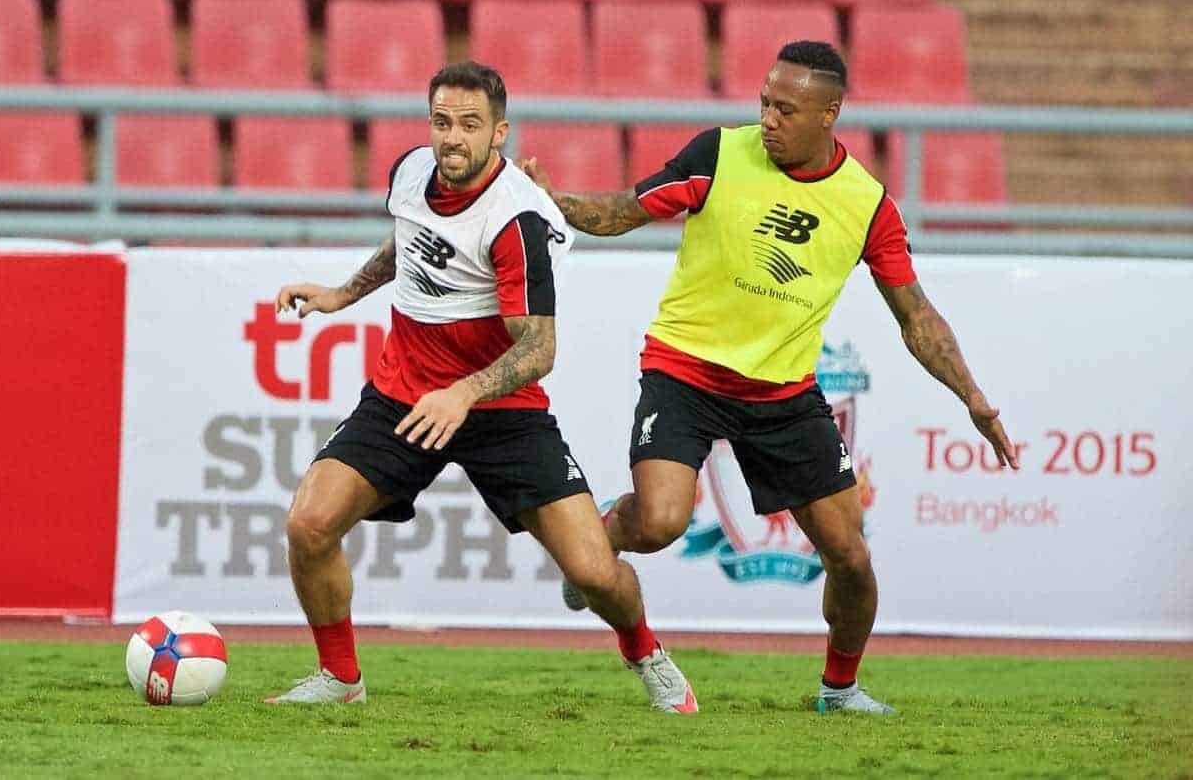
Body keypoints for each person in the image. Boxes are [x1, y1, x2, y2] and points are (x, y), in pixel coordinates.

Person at [522, 41, 1019, 715]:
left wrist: (974, 397)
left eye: (786, 108)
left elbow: (917, 316)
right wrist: (554, 200)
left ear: (829, 114)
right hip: (685, 374)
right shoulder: (720, 154)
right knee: (663, 520)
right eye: (764, 102)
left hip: (783, 398)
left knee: (851, 559)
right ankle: (604, 536)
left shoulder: (866, 205)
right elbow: (626, 210)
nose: (769, 119)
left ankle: (838, 689)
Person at [265, 62, 696, 713]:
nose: (452, 138)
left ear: (500, 133)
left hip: (503, 410)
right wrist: (341, 293)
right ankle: (340, 677)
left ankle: (644, 650)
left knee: (593, 572)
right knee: (308, 524)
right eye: (442, 122)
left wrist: (465, 392)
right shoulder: (412, 171)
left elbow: (540, 347)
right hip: (404, 394)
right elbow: (410, 244)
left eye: (469, 125)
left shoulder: (515, 221)